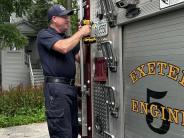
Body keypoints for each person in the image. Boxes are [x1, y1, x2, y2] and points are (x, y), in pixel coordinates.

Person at [36, 4, 91, 138]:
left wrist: (84, 40)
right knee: (62, 133)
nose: (68, 19)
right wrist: (80, 33)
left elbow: (81, 59)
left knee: (72, 132)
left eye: (68, 16)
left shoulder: (68, 39)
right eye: (64, 17)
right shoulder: (44, 34)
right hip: (56, 90)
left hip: (70, 89)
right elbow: (63, 48)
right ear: (54, 19)